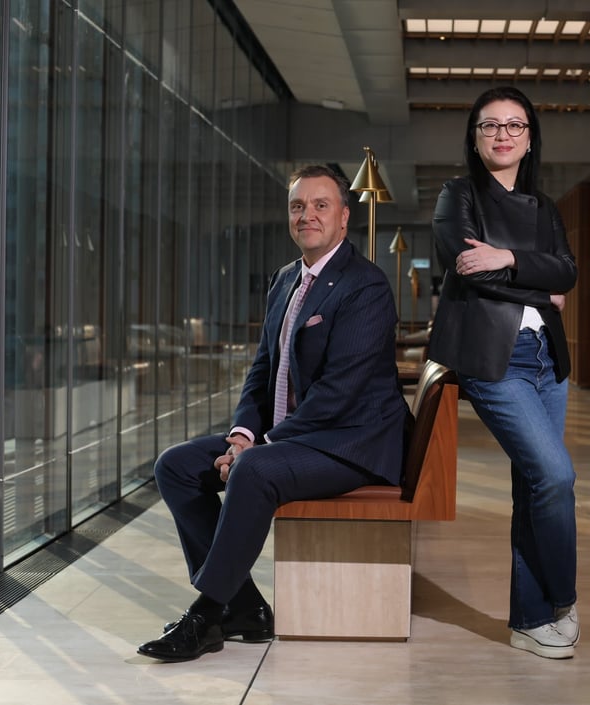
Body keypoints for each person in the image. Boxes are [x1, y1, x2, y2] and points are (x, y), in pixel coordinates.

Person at [138, 164, 411, 662]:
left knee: (256, 470)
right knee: (175, 465)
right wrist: (243, 433)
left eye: (320, 205)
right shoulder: (287, 279)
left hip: (352, 443)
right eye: (297, 206)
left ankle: (206, 614)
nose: (307, 215)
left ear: (344, 218)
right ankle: (243, 606)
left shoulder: (365, 285)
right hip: (299, 438)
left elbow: (340, 394)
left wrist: (260, 447)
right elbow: (264, 369)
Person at [429, 86, 580, 659]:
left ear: (529, 138)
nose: (502, 134)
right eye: (490, 125)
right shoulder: (458, 195)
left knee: (535, 485)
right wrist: (540, 288)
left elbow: (567, 272)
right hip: (495, 361)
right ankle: (563, 599)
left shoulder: (544, 208)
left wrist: (510, 258)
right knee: (556, 476)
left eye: (515, 125)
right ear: (475, 136)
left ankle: (529, 619)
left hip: (548, 362)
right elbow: (468, 269)